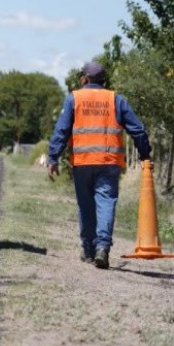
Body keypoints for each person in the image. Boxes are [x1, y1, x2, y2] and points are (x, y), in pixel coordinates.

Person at [47, 61, 151, 270]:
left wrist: (53, 157)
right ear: (104, 80)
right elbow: (138, 130)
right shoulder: (116, 100)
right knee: (106, 203)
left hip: (83, 162)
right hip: (109, 162)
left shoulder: (74, 98)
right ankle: (102, 247)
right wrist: (144, 155)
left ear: (84, 78)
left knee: (86, 206)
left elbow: (62, 130)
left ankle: (87, 250)